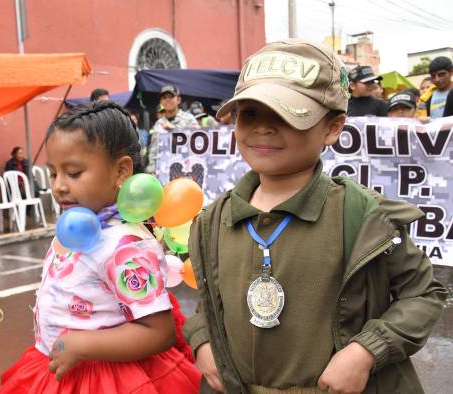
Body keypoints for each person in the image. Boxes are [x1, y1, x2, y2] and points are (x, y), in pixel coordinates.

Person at [183, 39, 447, 394]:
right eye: (249, 113)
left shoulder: (365, 216)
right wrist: (202, 340)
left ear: (333, 128)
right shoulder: (213, 221)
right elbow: (209, 299)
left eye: (286, 114)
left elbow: (422, 293)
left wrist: (366, 350)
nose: (263, 127)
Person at [0, 101, 200, 393]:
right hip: (60, 365)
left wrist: (83, 344)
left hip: (107, 378)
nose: (59, 186)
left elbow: (159, 332)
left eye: (74, 173)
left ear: (121, 171)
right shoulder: (77, 224)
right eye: (54, 173)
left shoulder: (124, 247)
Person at [146, 85, 200, 174]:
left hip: (184, 170)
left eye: (171, 97)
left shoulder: (189, 119)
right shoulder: (158, 124)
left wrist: (175, 130)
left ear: (178, 100)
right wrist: (152, 170)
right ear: (161, 102)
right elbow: (154, 150)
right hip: (163, 171)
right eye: (164, 97)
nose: (167, 100)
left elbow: (198, 145)